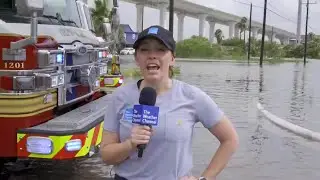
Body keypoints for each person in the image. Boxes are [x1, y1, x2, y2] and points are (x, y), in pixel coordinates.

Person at [100, 25, 239, 180]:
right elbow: (106, 156)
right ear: (136, 58)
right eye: (144, 50)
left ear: (172, 58)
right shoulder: (120, 96)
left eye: (160, 49)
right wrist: (130, 144)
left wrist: (204, 178)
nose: (152, 55)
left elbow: (230, 140)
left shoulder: (192, 96)